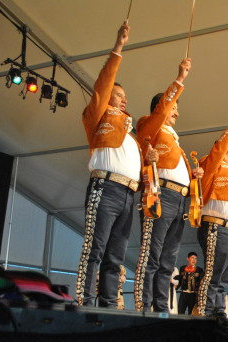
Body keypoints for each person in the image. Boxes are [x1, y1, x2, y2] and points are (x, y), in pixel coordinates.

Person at [76, 21, 158, 307]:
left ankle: (109, 304)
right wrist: (119, 47)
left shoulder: (132, 136)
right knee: (94, 249)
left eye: (124, 97)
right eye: (119, 95)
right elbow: (103, 83)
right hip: (105, 187)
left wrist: (148, 163)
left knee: (116, 255)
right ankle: (85, 302)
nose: (124, 100)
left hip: (128, 195)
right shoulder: (97, 117)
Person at [134, 58, 195, 312]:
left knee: (168, 258)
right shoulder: (150, 125)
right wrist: (179, 79)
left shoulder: (173, 139)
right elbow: (160, 113)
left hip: (179, 199)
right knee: (152, 253)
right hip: (161, 195)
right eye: (173, 108)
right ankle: (143, 305)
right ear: (162, 108)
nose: (177, 113)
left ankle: (160, 306)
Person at [195, 109, 228, 317]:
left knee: (225, 278)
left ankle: (218, 314)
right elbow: (216, 153)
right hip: (217, 227)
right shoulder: (211, 165)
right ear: (223, 151)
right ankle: (206, 313)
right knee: (213, 274)